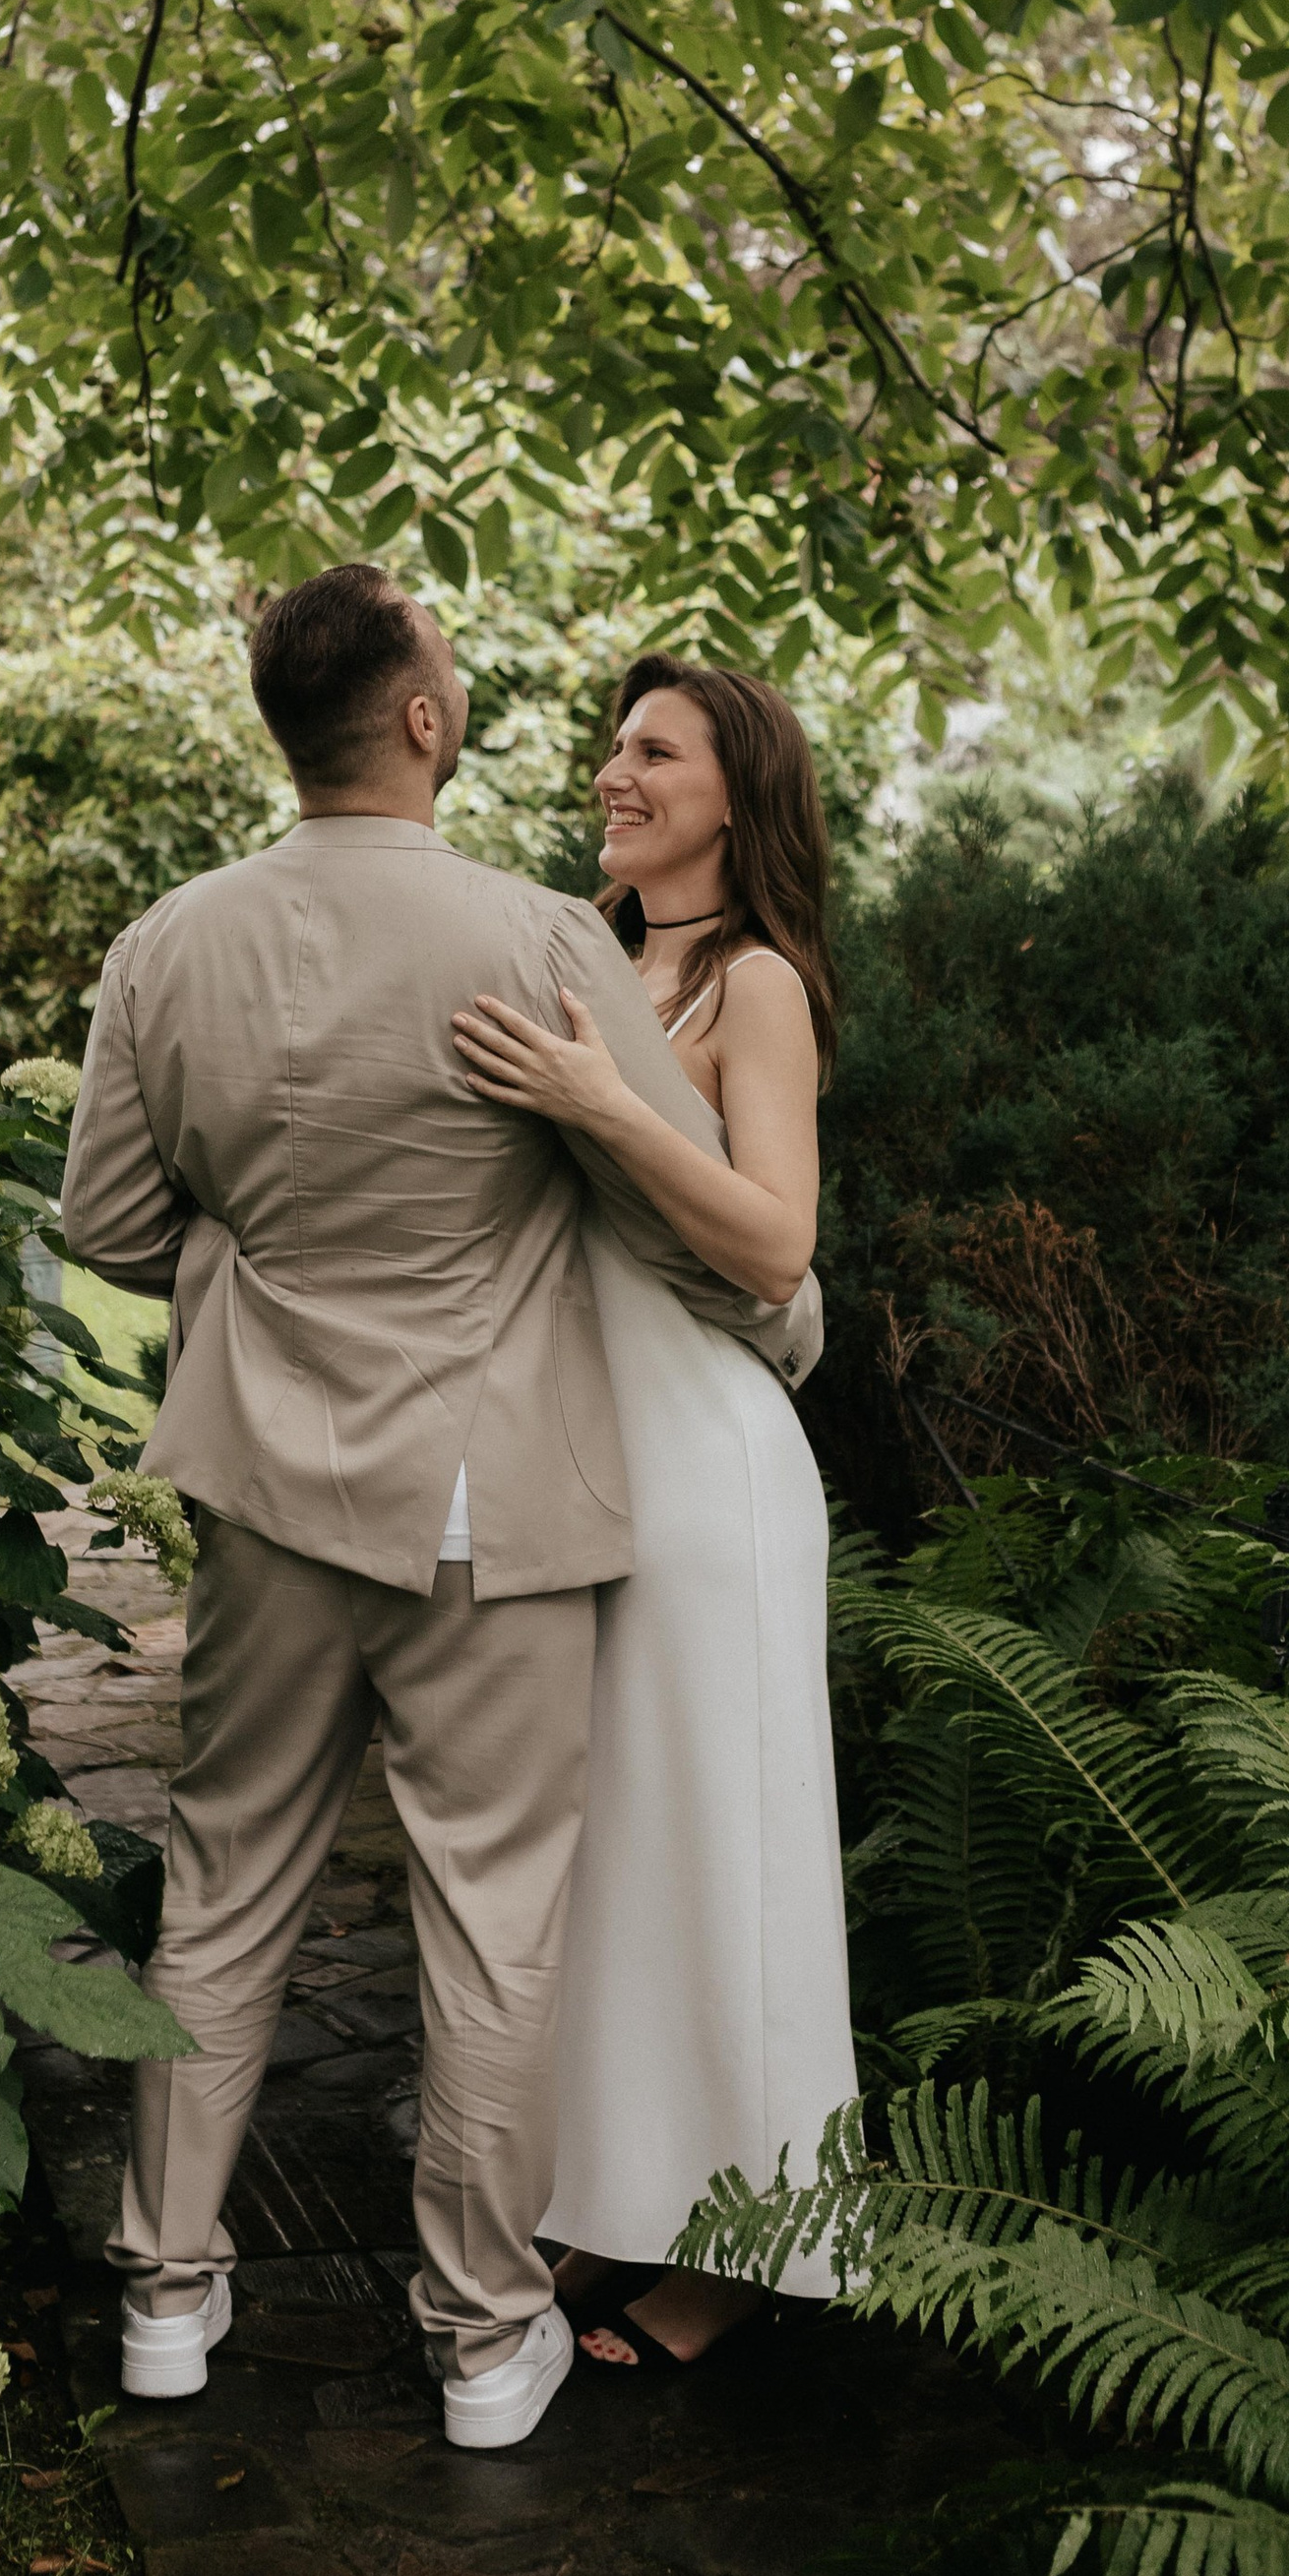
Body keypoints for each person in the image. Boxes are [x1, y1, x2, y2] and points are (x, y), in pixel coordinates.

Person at [61, 567, 822, 2451]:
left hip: (260, 1498)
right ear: (418, 720)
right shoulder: (541, 937)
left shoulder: (167, 944)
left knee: (224, 1888)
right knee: (492, 1916)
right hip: (488, 1513)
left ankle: (166, 2300)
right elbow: (701, 1234)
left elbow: (108, 1229)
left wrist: (268, 1256)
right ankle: (485, 2341)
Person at [452, 653, 857, 2370]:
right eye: (613, 748)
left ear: (734, 793)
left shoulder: (757, 986)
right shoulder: (592, 961)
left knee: (723, 1856)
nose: (615, 773)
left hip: (712, 1476)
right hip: (582, 1464)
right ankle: (618, 2198)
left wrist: (607, 1102)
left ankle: (736, 2257)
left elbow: (777, 1245)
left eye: (656, 751)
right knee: (612, 1857)